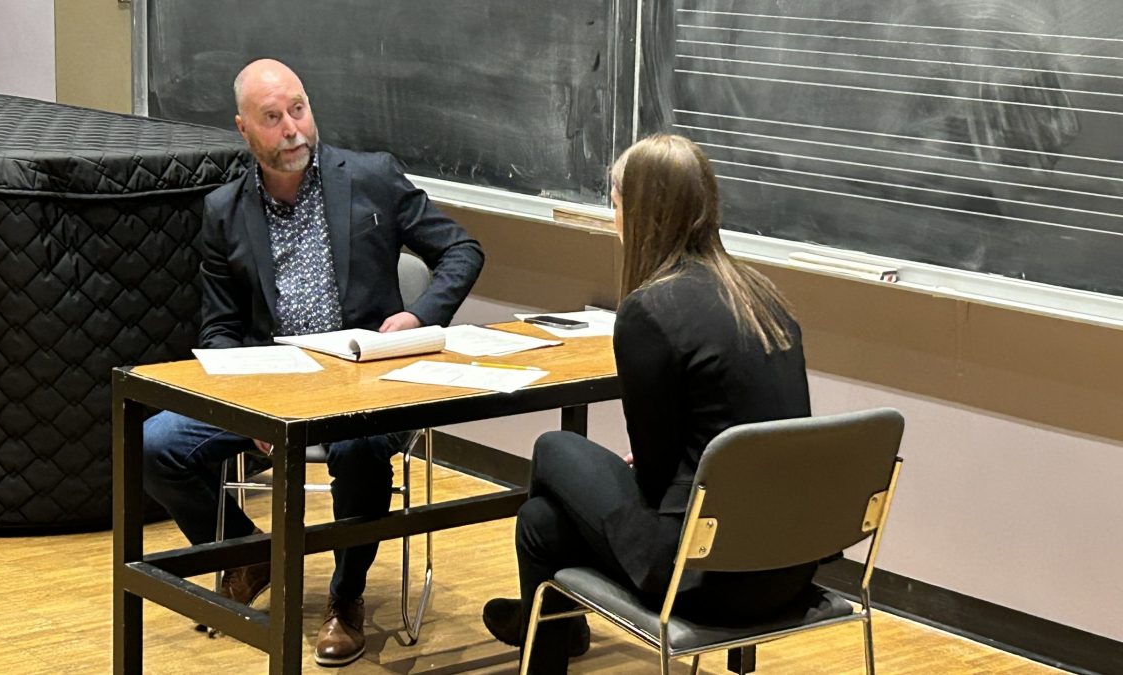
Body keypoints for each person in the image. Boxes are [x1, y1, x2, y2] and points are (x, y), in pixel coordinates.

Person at [142, 58, 484, 667]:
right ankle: (243, 552)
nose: (293, 128)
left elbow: (460, 248)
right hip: (274, 386)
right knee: (154, 443)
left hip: (367, 379)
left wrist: (419, 315)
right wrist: (256, 410)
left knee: (359, 449)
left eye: (298, 109)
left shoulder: (373, 177)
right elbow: (219, 330)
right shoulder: (223, 210)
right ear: (244, 129)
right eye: (272, 118)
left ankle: (345, 599)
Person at [481, 134, 816, 673]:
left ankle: (543, 624)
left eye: (615, 205)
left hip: (703, 571)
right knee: (541, 524)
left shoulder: (649, 312)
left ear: (634, 212)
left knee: (553, 449)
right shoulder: (765, 298)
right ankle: (543, 624)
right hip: (788, 565)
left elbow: (656, 473)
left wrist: (671, 466)